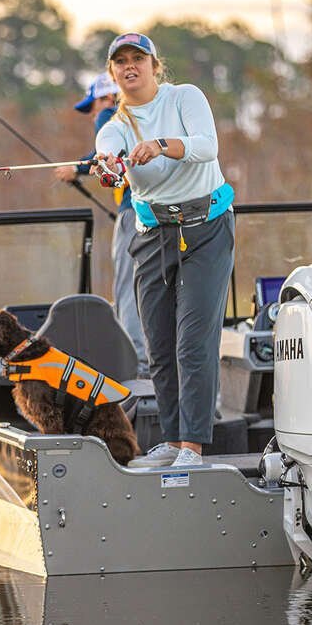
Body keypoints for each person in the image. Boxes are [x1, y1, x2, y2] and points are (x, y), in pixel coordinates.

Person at [92, 32, 234, 468]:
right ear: (113, 73)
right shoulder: (114, 127)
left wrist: (160, 146)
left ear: (155, 65)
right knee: (158, 341)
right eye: (121, 62)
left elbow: (207, 147)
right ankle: (172, 438)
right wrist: (111, 169)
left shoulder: (183, 98)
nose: (129, 66)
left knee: (193, 338)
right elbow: (107, 155)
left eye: (138, 58)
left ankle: (192, 445)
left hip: (206, 227)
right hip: (154, 236)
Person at [54, 73, 148, 377]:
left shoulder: (110, 114)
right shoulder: (145, 116)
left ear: (107, 98)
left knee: (127, 287)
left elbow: (107, 151)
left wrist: (77, 168)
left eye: (92, 106)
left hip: (135, 214)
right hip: (159, 212)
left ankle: (139, 363)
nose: (93, 114)